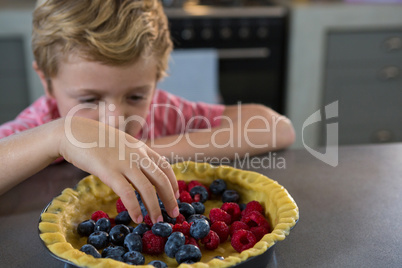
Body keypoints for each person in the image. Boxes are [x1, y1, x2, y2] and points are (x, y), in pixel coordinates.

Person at [0, 0, 295, 225]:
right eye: (89, 99)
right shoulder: (40, 124)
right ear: (47, 82)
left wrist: (140, 153)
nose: (116, 118)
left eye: (136, 95)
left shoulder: (162, 113)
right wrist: (58, 135)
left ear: (157, 78)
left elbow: (277, 128)